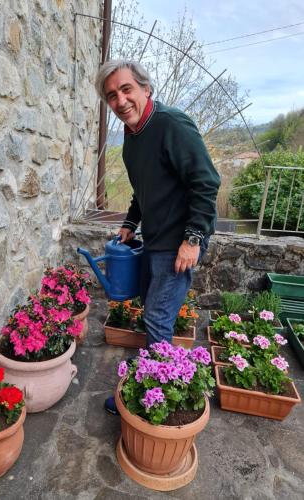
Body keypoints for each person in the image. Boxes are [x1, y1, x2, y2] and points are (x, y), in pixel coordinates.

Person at [95, 60, 221, 414]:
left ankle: (155, 399)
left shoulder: (171, 124)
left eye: (126, 89)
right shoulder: (131, 143)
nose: (120, 100)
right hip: (153, 239)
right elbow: (142, 192)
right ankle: (151, 383)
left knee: (157, 319)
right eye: (112, 96)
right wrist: (130, 223)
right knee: (149, 313)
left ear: (145, 89)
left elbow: (206, 182)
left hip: (179, 241)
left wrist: (193, 238)